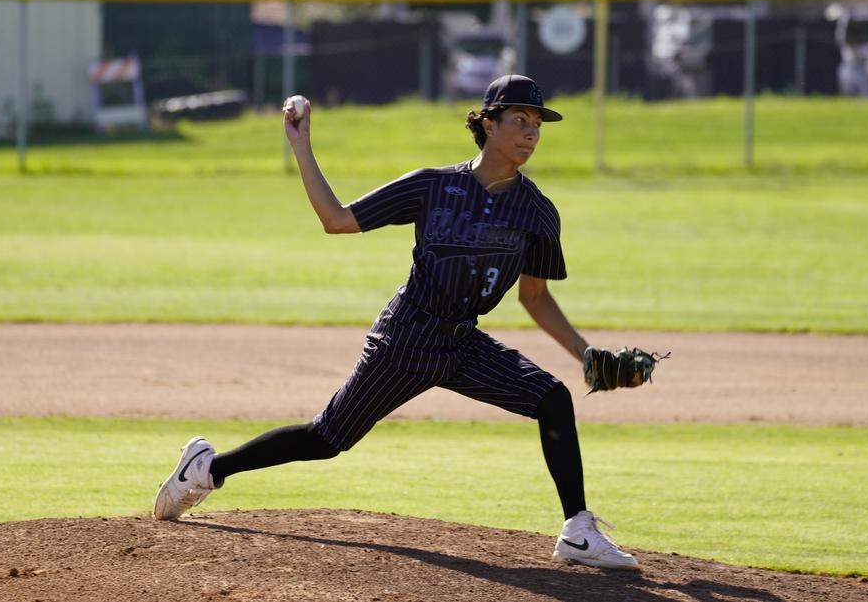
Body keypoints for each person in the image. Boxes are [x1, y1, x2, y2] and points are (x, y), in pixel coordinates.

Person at [153, 75, 640, 570]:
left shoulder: (537, 212)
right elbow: (337, 220)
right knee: (326, 440)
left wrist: (585, 354)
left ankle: (577, 530)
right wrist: (301, 145)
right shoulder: (434, 186)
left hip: (462, 343)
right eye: (519, 120)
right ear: (488, 123)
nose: (531, 133)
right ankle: (207, 469)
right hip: (406, 337)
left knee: (552, 399)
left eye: (537, 124)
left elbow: (534, 296)